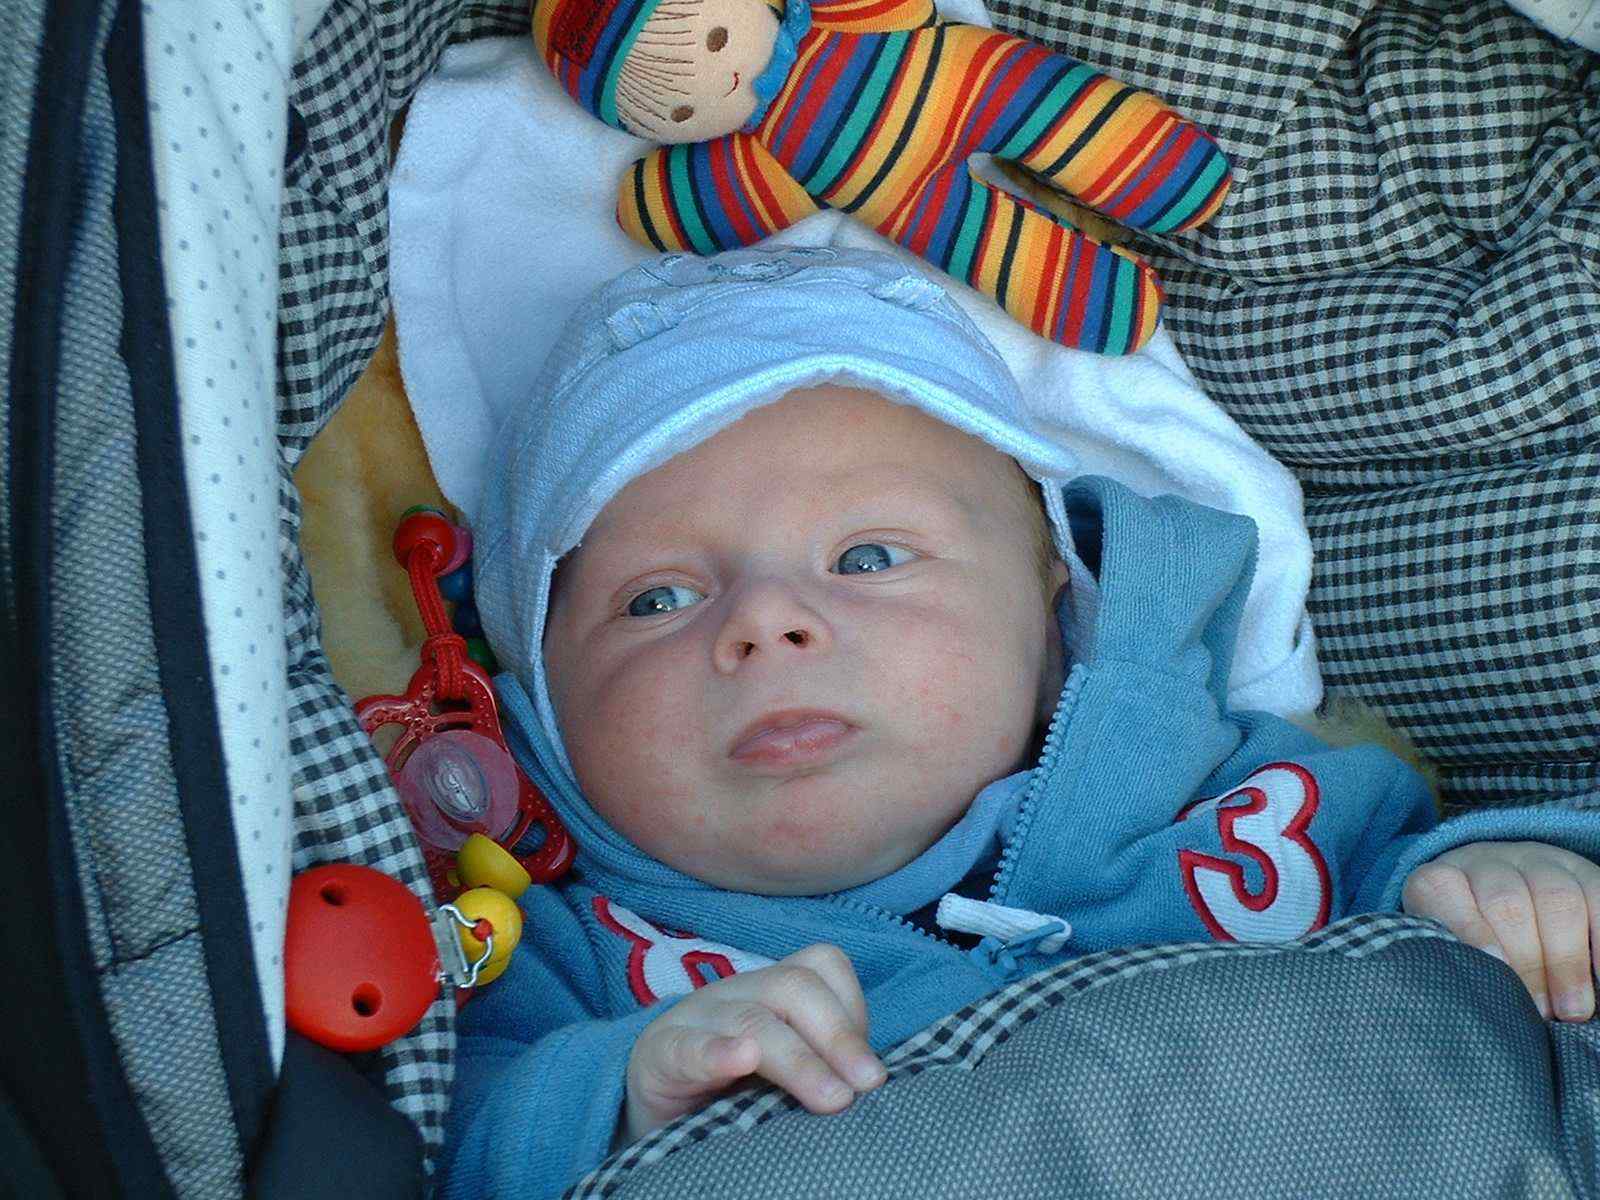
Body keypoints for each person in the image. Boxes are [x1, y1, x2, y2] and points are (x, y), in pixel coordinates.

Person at [443, 245, 1600, 1199]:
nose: (765, 622)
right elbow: (444, 1147)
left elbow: (1442, 915)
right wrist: (622, 1091)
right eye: (657, 600)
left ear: (1056, 607)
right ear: (543, 709)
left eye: (868, 558)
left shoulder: (1256, 814)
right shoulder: (563, 966)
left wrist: (1506, 879)